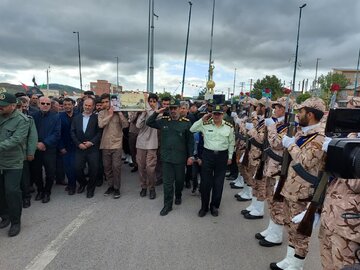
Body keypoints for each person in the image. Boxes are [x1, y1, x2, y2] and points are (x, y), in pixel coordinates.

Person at [270, 97, 326, 270]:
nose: (297, 114)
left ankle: (297, 265)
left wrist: (290, 145)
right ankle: (289, 260)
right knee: (290, 226)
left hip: (304, 194)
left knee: (301, 232)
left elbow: (306, 161)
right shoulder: (303, 133)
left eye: (301, 112)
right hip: (292, 189)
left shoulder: (319, 138)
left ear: (309, 114)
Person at [147, 99, 193, 216]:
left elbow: (190, 142)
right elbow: (149, 122)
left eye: (175, 108)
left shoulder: (186, 122)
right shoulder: (164, 121)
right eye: (171, 108)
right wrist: (157, 112)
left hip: (180, 158)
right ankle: (167, 205)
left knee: (179, 181)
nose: (173, 110)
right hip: (167, 157)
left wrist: (190, 156)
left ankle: (178, 194)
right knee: (167, 183)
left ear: (179, 109)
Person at [190, 104, 235, 217]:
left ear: (223, 115)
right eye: (214, 113)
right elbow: (192, 129)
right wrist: (202, 119)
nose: (216, 116)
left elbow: (231, 143)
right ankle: (204, 207)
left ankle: (214, 206)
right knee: (205, 183)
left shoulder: (229, 126)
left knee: (218, 183)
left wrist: (230, 157)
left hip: (222, 156)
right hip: (208, 155)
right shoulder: (205, 124)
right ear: (211, 114)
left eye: (219, 114)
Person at [0, 92, 30, 237]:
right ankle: (4, 216)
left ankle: (15, 222)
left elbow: (16, 139)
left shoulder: (22, 120)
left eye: (3, 106)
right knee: (0, 192)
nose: (0, 108)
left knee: (12, 191)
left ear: (13, 106)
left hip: (13, 162)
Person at [30, 96, 61, 203]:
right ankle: (40, 190)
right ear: (39, 104)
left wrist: (45, 143)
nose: (45, 105)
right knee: (36, 172)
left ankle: (47, 192)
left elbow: (57, 133)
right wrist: (37, 144)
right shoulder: (32, 116)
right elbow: (30, 133)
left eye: (48, 104)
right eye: (43, 103)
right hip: (36, 149)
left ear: (50, 105)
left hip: (49, 149)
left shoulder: (56, 117)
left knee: (50, 172)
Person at [98, 93, 129, 199]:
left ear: (111, 102)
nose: (105, 104)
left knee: (116, 167)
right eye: (103, 102)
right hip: (105, 144)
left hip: (117, 144)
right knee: (107, 168)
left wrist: (119, 113)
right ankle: (110, 186)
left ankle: (117, 188)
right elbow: (101, 124)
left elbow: (125, 125)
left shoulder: (119, 113)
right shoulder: (101, 113)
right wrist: (110, 115)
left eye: (107, 101)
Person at [71, 97, 102, 198]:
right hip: (80, 148)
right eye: (86, 105)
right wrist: (78, 144)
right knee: (77, 168)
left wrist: (91, 142)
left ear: (93, 107)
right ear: (83, 105)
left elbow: (99, 133)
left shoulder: (97, 118)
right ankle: (83, 183)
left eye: (90, 106)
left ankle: (90, 188)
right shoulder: (76, 118)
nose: (87, 107)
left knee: (94, 169)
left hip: (92, 149)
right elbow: (72, 132)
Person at [136, 93, 159, 199]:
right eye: (150, 101)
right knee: (141, 167)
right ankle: (143, 187)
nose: (152, 103)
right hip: (141, 143)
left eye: (154, 101)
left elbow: (155, 120)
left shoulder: (159, 113)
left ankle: (152, 188)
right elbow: (138, 125)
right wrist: (143, 114)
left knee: (150, 168)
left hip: (152, 144)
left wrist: (151, 111)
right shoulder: (144, 112)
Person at [17, 97, 38, 208]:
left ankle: (26, 197)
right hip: (7, 155)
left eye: (20, 107)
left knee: (24, 178)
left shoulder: (28, 119)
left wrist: (30, 152)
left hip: (23, 153)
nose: (18, 109)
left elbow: (32, 138)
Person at [58, 98, 78, 195]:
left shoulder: (78, 115)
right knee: (67, 167)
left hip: (76, 146)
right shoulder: (59, 116)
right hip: (65, 146)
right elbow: (58, 133)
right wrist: (61, 147)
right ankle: (71, 184)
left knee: (74, 166)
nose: (67, 106)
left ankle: (72, 185)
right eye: (65, 104)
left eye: (69, 104)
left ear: (73, 105)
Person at [155, 96, 171, 186]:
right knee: (159, 160)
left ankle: (168, 177)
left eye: (168, 104)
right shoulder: (158, 113)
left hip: (170, 141)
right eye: (164, 104)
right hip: (159, 140)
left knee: (168, 161)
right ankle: (159, 177)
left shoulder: (173, 113)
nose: (166, 106)